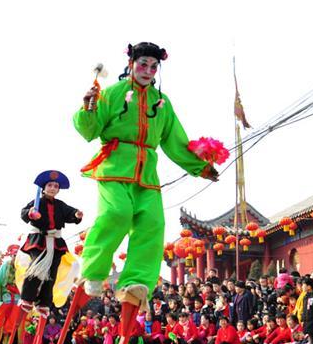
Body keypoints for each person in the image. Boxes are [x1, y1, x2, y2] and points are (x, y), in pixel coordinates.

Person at [73, 42, 219, 322]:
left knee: (152, 225)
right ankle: (93, 270)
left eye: (154, 67)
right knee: (117, 213)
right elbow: (89, 131)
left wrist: (201, 167)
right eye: (143, 64)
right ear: (131, 64)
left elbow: (175, 140)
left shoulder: (161, 103)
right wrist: (87, 107)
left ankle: (135, 279)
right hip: (115, 166)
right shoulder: (112, 94)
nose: (148, 71)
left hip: (147, 173)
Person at [18, 170, 83, 317]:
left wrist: (76, 215)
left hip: (55, 242)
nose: (52, 188)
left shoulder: (61, 205)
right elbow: (24, 212)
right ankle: (27, 298)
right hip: (39, 240)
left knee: (51, 274)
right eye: (50, 185)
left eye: (55, 186)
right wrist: (31, 213)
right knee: (36, 269)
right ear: (44, 187)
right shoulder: (36, 202)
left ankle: (44, 303)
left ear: (58, 189)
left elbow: (70, 213)